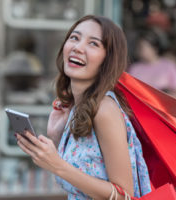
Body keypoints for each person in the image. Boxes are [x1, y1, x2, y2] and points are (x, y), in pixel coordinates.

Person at [15, 15, 152, 199]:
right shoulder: (76, 108)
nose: (78, 48)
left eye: (93, 44)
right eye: (74, 38)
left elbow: (124, 196)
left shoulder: (104, 110)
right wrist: (56, 137)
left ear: (107, 60)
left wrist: (56, 165)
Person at [128, 30, 176, 100]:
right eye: (139, 47)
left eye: (143, 47)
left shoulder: (168, 66)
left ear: (155, 48)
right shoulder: (135, 68)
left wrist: (164, 99)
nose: (140, 50)